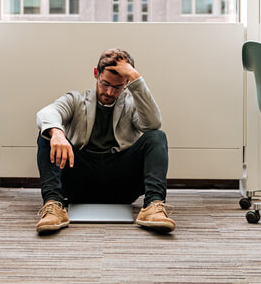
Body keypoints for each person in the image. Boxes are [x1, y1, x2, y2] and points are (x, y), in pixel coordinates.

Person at [34, 48, 174, 234]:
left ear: (126, 83)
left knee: (157, 136)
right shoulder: (76, 100)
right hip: (79, 182)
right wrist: (57, 132)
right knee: (47, 134)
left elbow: (153, 123)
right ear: (96, 74)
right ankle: (53, 205)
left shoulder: (132, 105)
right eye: (105, 83)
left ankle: (153, 206)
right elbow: (46, 113)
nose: (109, 92)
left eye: (117, 87)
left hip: (121, 183)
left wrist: (135, 77)